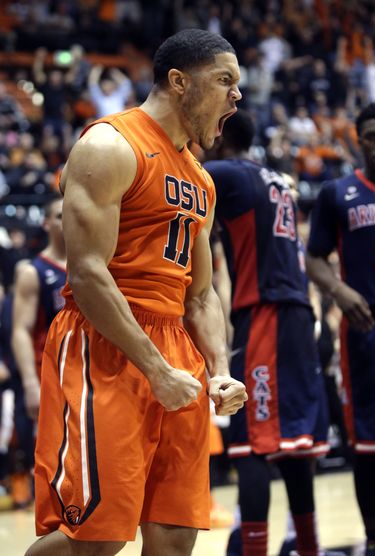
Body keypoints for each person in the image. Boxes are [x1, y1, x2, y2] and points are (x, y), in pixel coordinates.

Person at [25, 29, 247, 556]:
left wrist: (217, 369)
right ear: (178, 82)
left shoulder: (201, 179)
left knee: (174, 538)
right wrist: (154, 368)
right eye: (224, 81)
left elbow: (200, 295)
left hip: (176, 351)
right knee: (95, 540)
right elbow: (86, 273)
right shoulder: (109, 145)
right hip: (106, 344)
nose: (237, 96)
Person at [204, 109, 331, 556]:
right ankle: (308, 545)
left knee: (252, 445)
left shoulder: (222, 172)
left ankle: (252, 548)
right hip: (294, 311)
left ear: (219, 137)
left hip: (265, 313)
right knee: (294, 443)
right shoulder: (276, 179)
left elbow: (171, 178)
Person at [306, 101, 375, 556]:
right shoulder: (335, 193)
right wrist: (339, 292)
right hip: (367, 328)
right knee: (369, 443)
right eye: (372, 137)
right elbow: (313, 259)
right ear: (358, 141)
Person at [12, 195, 66, 422]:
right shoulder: (33, 272)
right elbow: (20, 331)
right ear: (46, 223)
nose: (68, 221)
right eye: (60, 216)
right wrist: (31, 382)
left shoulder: (95, 266)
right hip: (49, 369)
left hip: (87, 367)